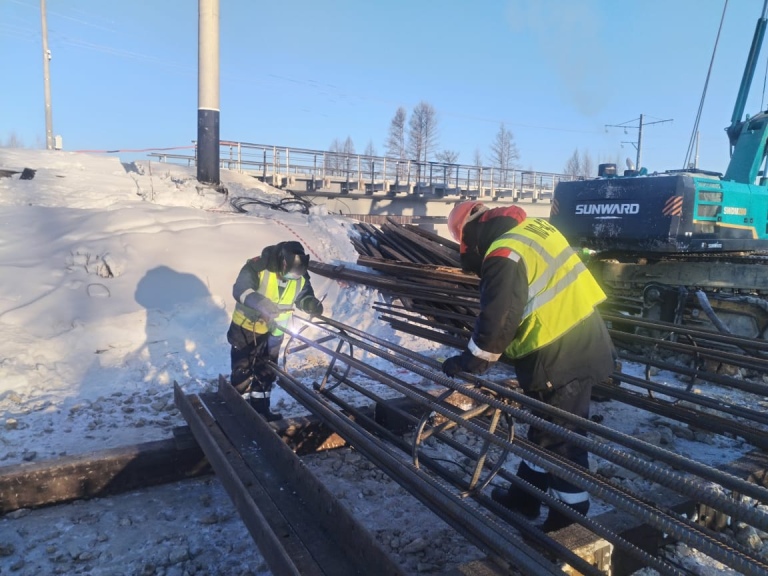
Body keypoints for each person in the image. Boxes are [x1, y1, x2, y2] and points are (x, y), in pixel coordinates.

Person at [442, 201, 615, 532]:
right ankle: (526, 497)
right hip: (578, 338)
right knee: (544, 429)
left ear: (469, 237)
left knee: (562, 442)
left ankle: (568, 525)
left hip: (560, 354)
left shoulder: (504, 253)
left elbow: (498, 322)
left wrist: (469, 363)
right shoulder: (533, 229)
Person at [227, 240, 324, 421]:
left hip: (275, 331)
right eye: (286, 275)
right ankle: (242, 415)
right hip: (247, 328)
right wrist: (260, 303)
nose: (289, 280)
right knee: (243, 371)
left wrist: (310, 303)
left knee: (267, 371)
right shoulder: (257, 267)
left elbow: (303, 295)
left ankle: (262, 411)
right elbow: (240, 289)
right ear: (282, 262)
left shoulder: (300, 274)